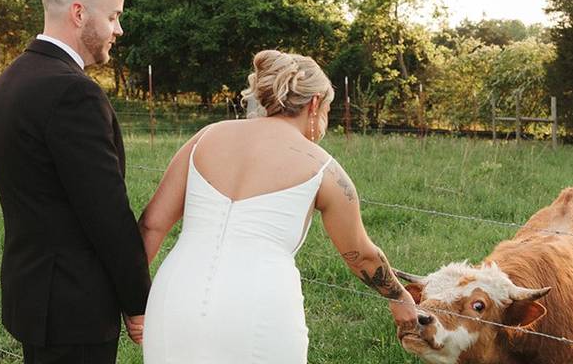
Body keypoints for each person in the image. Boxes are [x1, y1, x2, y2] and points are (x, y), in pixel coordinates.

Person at [138, 49, 418, 363]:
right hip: (260, 307)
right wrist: (400, 296)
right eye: (327, 109)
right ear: (314, 105)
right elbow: (361, 256)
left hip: (175, 299)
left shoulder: (205, 138)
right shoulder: (325, 169)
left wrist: (132, 300)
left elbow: (152, 224)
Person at [0, 0, 151, 364]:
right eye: (113, 16)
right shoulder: (73, 94)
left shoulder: (11, 79)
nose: (118, 29)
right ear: (79, 13)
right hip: (75, 306)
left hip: (34, 293)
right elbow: (106, 212)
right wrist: (139, 302)